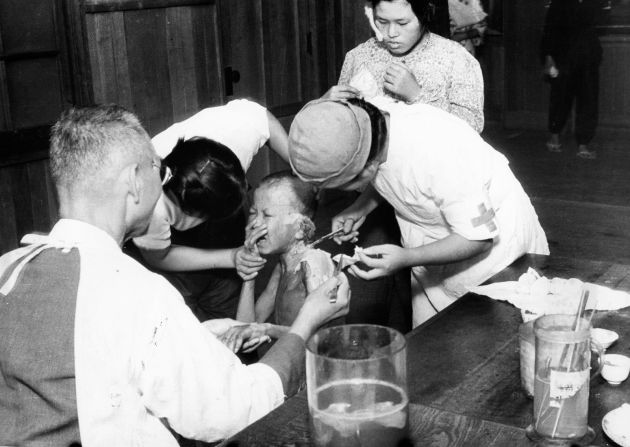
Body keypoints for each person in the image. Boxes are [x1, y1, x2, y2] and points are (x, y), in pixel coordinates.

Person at [0, 105, 350, 446]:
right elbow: (238, 408)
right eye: (159, 168)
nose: (167, 178)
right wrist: (305, 325)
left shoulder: (7, 268)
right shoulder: (137, 292)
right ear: (134, 182)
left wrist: (196, 335)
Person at [288, 98, 549, 327]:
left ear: (365, 169)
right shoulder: (368, 125)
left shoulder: (438, 154)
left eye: (347, 185)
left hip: (493, 261)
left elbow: (478, 238)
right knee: (435, 345)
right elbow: (391, 176)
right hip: (431, 250)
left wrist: (406, 258)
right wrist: (360, 207)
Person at [131, 99, 288, 321]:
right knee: (178, 316)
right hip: (156, 235)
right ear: (192, 216)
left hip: (202, 197)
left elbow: (259, 117)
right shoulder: (144, 209)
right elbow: (160, 256)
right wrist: (229, 256)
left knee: (228, 307)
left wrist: (305, 175)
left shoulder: (235, 134)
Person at [220, 171, 337, 353]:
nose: (256, 223)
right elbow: (247, 325)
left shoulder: (313, 262)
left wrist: (268, 329)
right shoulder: (281, 267)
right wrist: (249, 271)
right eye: (253, 213)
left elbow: (321, 337)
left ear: (299, 228)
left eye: (267, 215)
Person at [327, 0, 484, 133]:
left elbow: (472, 128)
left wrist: (417, 96)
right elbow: (343, 132)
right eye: (382, 21)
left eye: (402, 23)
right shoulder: (358, 56)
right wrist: (326, 105)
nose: (391, 32)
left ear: (424, 17)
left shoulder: (456, 58)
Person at [541, 0, 604, 159]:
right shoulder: (559, 3)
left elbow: (602, 20)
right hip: (563, 56)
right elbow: (549, 28)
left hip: (588, 57)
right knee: (560, 97)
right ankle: (554, 136)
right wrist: (548, 57)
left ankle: (583, 144)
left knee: (589, 100)